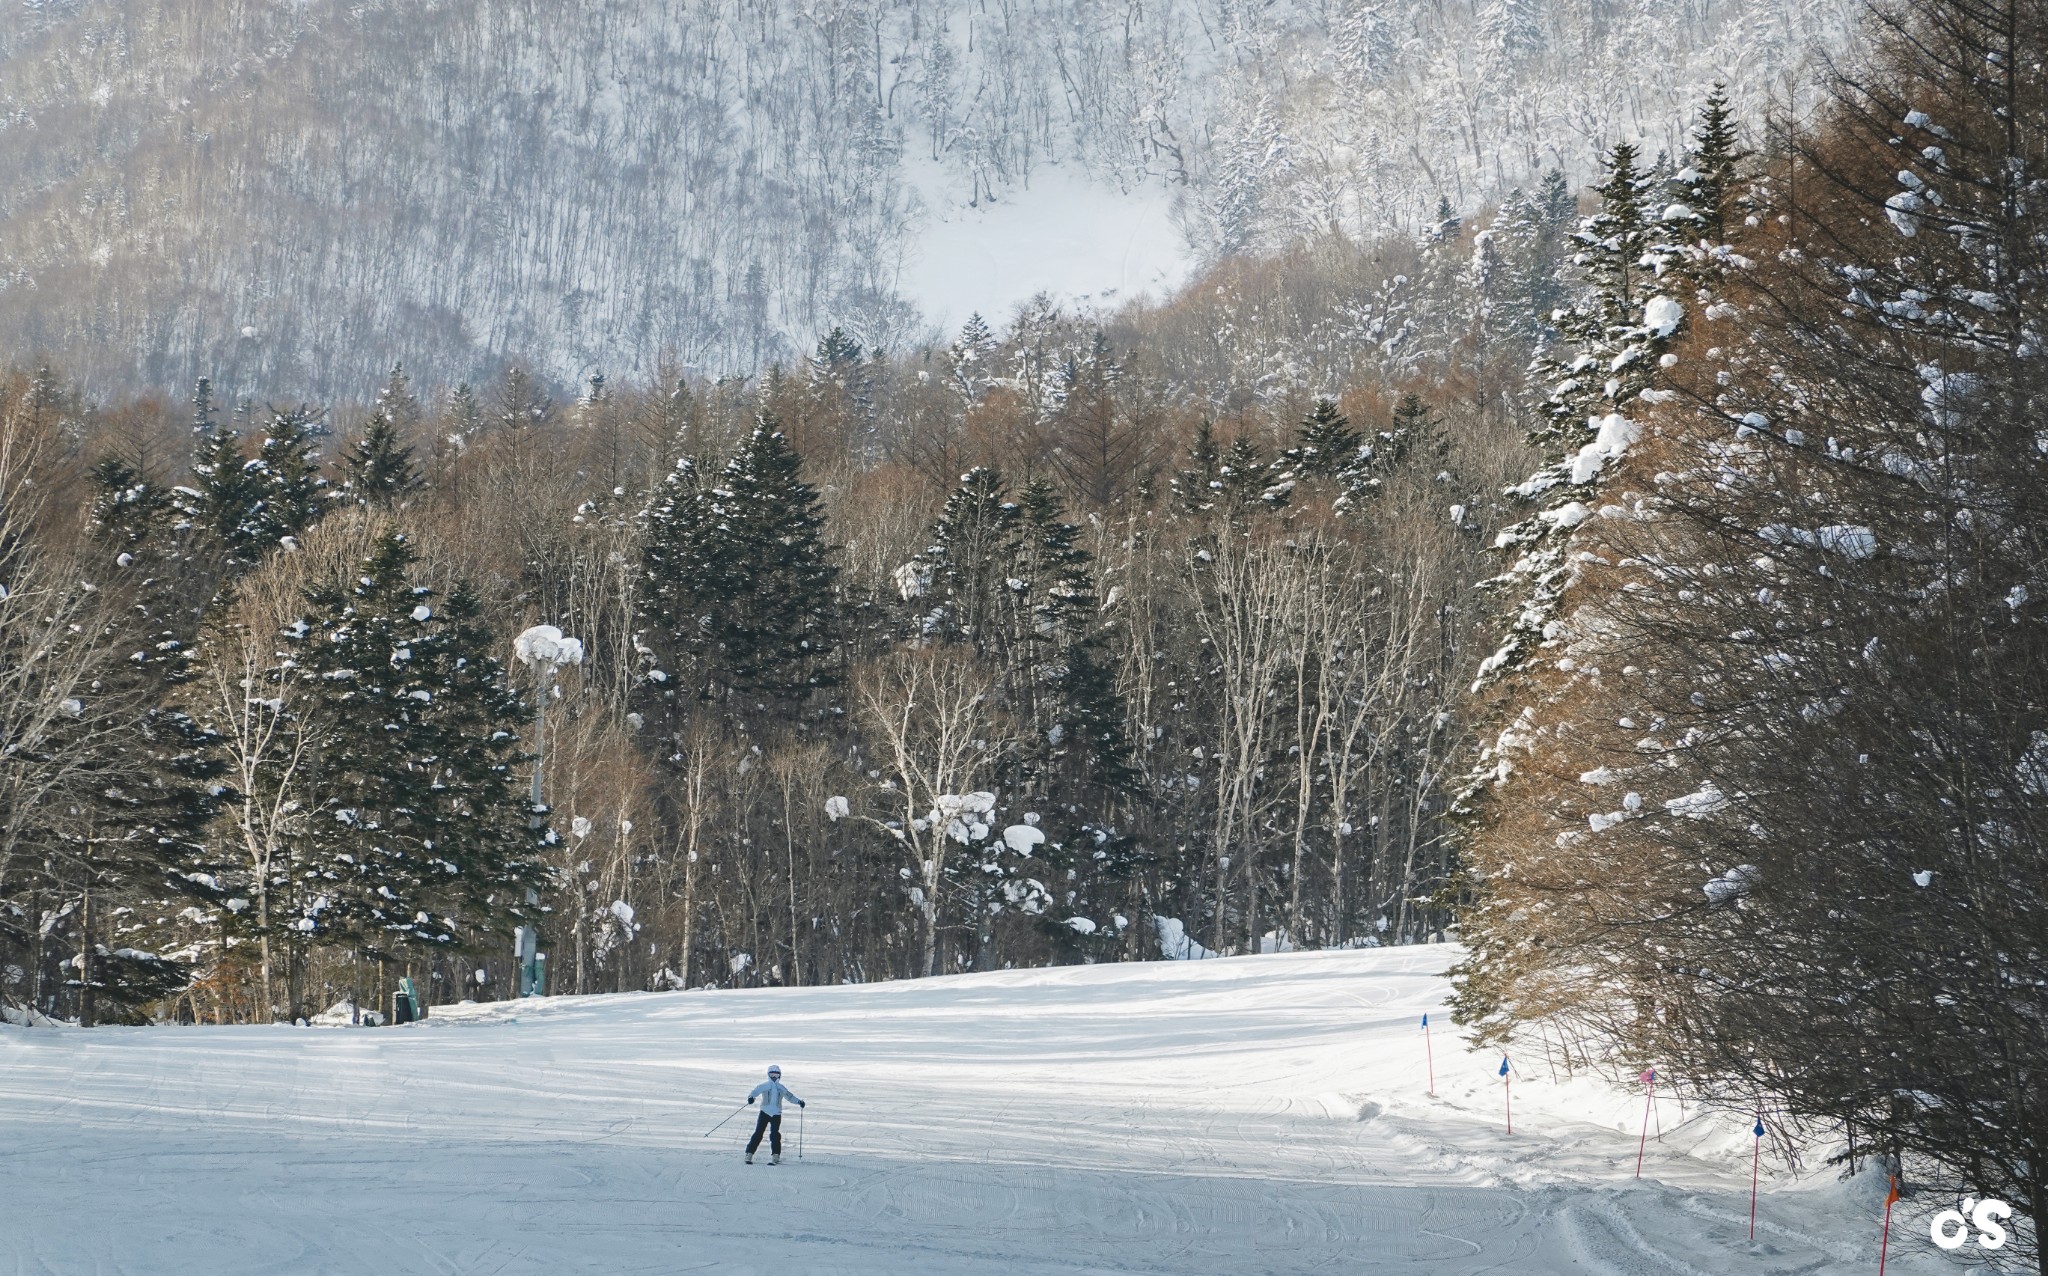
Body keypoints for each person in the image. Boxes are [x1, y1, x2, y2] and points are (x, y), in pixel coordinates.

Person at [744, 1065, 804, 1164]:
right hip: (764, 1112)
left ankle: (776, 1155)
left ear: (779, 1076)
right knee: (758, 1133)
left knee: (775, 1135)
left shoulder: (781, 1087)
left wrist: (799, 1102)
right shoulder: (764, 1086)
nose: (774, 1077)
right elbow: (755, 1092)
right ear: (768, 1075)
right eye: (772, 1074)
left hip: (776, 1113)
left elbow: (790, 1097)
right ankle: (749, 1154)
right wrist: (751, 1098)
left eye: (776, 1075)